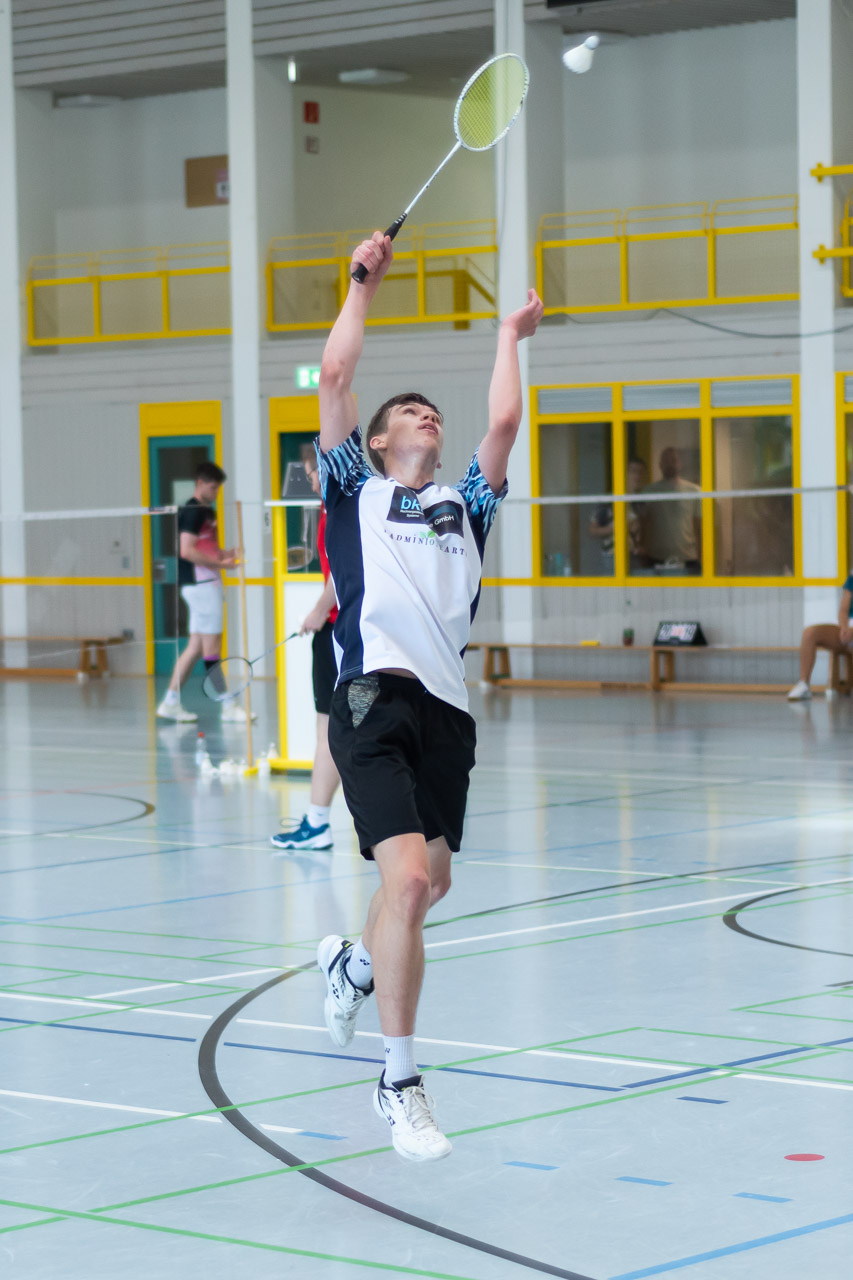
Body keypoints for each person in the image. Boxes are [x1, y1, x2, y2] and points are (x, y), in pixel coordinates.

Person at [314, 230, 542, 1162]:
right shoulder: (352, 489)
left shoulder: (463, 505)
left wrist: (509, 337)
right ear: (377, 440)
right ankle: (398, 1082)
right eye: (409, 410)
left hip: (447, 712)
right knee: (407, 880)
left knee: (429, 883)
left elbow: (504, 425)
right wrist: (360, 283)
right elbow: (335, 375)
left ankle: (353, 964)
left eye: (431, 411)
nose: (426, 416)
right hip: (371, 696)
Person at [270, 451, 341, 851]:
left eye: (311, 471)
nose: (310, 479)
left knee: (329, 732)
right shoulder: (334, 508)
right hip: (346, 633)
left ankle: (316, 823)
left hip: (338, 634)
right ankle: (317, 821)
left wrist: (318, 611)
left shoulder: (340, 510)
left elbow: (345, 572)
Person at [156, 461, 250, 724]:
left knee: (195, 647)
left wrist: (226, 554)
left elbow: (206, 550)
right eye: (213, 487)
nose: (216, 492)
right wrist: (222, 565)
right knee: (212, 650)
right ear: (200, 483)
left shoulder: (206, 511)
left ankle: (170, 702)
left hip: (205, 585)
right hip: (202, 587)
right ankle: (228, 705)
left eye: (218, 488)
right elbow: (186, 551)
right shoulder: (193, 511)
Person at [788, 575, 853, 700]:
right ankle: (804, 684)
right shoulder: (852, 580)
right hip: (848, 629)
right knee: (810, 633)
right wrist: (844, 628)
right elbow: (843, 610)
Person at [639, 446, 701, 573]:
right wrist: (643, 552)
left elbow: (700, 526)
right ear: (660, 465)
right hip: (656, 556)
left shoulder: (694, 491)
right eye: (666, 461)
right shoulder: (648, 491)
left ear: (680, 464)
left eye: (673, 460)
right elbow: (642, 525)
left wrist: (703, 555)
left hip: (687, 556)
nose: (670, 464)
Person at [588, 457, 648, 570]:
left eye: (641, 472)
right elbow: (592, 531)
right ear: (624, 473)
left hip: (634, 556)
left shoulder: (640, 501)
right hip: (612, 556)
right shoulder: (609, 500)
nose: (637, 476)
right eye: (633, 471)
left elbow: (642, 531)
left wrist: (640, 546)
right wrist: (617, 528)